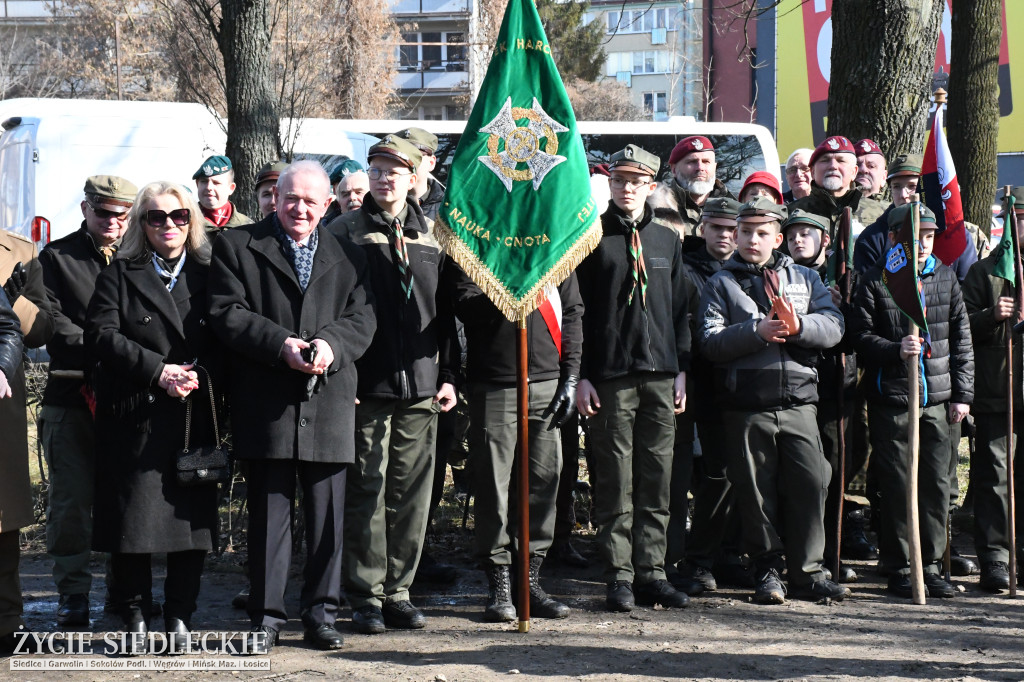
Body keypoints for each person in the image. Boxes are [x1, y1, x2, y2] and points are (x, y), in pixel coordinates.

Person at [208, 160, 376, 652]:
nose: (299, 208)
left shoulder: (348, 254)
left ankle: (322, 613)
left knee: (327, 518)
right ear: (274, 198)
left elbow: (362, 317)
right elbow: (226, 312)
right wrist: (279, 343)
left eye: (310, 200)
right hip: (268, 404)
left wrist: (331, 346)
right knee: (268, 517)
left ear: (328, 204)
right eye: (290, 198)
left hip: (329, 401)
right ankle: (265, 616)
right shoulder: (238, 246)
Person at [329, 136, 458, 634]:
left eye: (395, 171)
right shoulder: (343, 232)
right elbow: (333, 311)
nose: (385, 179)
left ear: (413, 178)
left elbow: (445, 314)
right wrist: (345, 377)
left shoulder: (432, 234)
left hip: (423, 386)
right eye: (377, 169)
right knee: (367, 490)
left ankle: (399, 591)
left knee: (411, 494)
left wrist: (449, 374)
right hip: (368, 386)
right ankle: (365, 594)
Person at [86, 182, 220, 651]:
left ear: (192, 220)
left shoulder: (211, 270)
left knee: (191, 521)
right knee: (134, 522)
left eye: (179, 216)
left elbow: (230, 331)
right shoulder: (121, 272)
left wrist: (198, 375)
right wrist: (156, 371)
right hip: (135, 415)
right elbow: (101, 335)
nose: (169, 225)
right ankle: (137, 612)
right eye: (157, 217)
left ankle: (180, 614)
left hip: (192, 415)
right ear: (141, 224)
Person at [699, 197, 849, 604]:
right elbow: (710, 341)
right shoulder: (721, 283)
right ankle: (767, 569)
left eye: (761, 233)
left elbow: (834, 326)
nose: (751, 239)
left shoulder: (804, 278)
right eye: (744, 232)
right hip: (747, 405)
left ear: (778, 237)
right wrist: (755, 332)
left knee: (812, 482)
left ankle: (808, 572)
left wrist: (799, 326)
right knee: (755, 491)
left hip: (800, 401)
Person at [576, 145, 691, 612]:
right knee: (616, 479)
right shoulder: (589, 238)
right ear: (611, 184)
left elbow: (682, 311)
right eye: (620, 180)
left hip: (662, 376)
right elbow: (576, 312)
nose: (628, 189)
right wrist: (581, 375)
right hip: (611, 377)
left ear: (651, 185)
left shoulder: (666, 240)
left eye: (637, 181)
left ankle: (652, 572)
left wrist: (681, 368)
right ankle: (619, 575)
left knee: (657, 478)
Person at [849, 203, 974, 599]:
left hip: (937, 400)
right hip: (894, 400)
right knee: (900, 485)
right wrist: (894, 349)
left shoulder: (945, 278)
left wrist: (962, 395)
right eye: (911, 236)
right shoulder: (874, 281)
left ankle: (933, 564)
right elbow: (859, 339)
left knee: (937, 485)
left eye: (926, 236)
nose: (920, 243)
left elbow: (961, 340)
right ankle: (903, 565)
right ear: (892, 239)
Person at [445, 268, 582, 623]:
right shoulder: (477, 243)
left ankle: (530, 580)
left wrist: (570, 375)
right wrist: (513, 288)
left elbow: (571, 312)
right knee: (494, 484)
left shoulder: (554, 245)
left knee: (544, 480)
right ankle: (499, 581)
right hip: (495, 380)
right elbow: (464, 305)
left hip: (546, 380)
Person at [38, 175, 138, 627]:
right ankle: (73, 593)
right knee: (71, 504)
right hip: (71, 393)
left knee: (128, 499)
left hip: (129, 395)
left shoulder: (143, 256)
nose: (113, 223)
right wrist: (108, 346)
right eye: (104, 213)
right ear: (85, 209)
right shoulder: (56, 257)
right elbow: (49, 319)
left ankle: (125, 591)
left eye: (122, 215)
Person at [674, 196, 752, 593]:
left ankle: (730, 554)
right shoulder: (684, 269)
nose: (724, 235)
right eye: (717, 227)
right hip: (698, 386)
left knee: (741, 473)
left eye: (731, 228)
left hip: (744, 386)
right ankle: (696, 558)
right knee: (710, 475)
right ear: (701, 228)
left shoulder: (750, 272)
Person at [782, 209, 861, 583]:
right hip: (792, 391)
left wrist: (842, 307)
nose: (798, 239)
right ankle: (789, 553)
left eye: (806, 233)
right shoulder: (780, 276)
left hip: (834, 391)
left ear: (825, 240)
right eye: (792, 233)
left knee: (832, 474)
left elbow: (860, 331)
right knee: (793, 478)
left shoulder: (846, 277)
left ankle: (832, 553)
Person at [961, 187, 1024, 591]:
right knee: (995, 477)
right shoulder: (985, 273)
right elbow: (958, 325)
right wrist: (988, 316)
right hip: (997, 391)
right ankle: (996, 559)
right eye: (1017, 219)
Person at [0, 250, 46, 653]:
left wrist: (13, 301)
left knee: (3, 516)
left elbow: (41, 329)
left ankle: (7, 619)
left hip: (2, 399)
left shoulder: (20, 251)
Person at [649, 136, 734, 239]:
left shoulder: (733, 206)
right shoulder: (656, 207)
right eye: (692, 161)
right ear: (674, 170)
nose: (700, 168)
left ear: (715, 167)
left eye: (706, 161)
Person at [789, 136, 862, 237]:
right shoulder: (790, 213)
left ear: (854, 172)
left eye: (841, 161)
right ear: (813, 172)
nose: (833, 166)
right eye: (825, 160)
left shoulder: (878, 213)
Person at [193, 155, 251, 236]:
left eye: (216, 183)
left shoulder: (247, 226)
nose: (209, 187)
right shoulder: (185, 223)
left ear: (231, 188)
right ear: (197, 184)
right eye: (204, 181)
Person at [396, 127, 446, 221]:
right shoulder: (382, 204)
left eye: (415, 156)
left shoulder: (448, 209)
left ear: (431, 163)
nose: (408, 162)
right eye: (402, 157)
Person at [853, 139, 888, 227]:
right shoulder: (833, 208)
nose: (863, 170)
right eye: (857, 165)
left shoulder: (893, 213)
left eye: (871, 166)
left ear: (883, 177)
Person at [325, 159, 368, 225]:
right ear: (334, 190)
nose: (352, 197)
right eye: (345, 193)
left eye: (358, 192)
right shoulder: (323, 220)